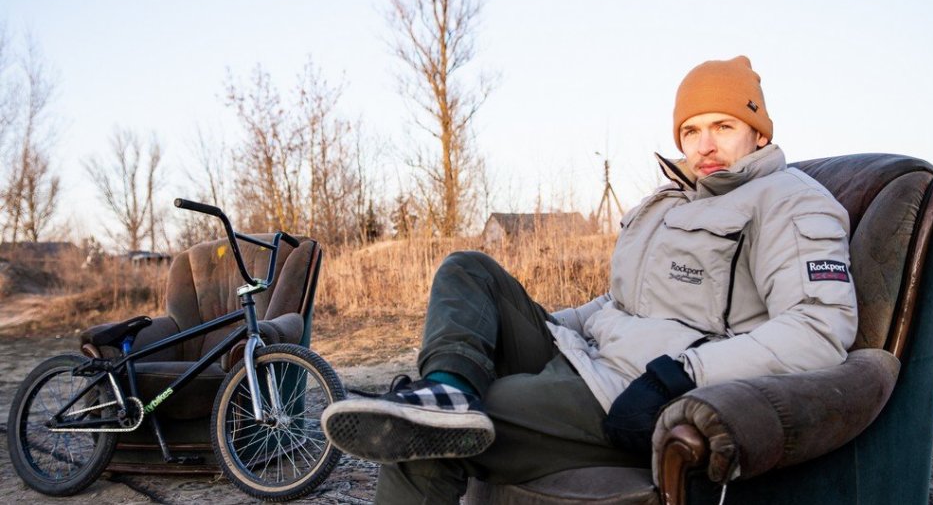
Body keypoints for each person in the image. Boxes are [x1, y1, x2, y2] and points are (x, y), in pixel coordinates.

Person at [321, 55, 858, 504]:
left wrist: (682, 374)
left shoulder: (791, 201)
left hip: (633, 393)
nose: (704, 146)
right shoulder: (665, 201)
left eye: (723, 126)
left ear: (757, 132)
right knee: (468, 268)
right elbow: (623, 302)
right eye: (691, 131)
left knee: (427, 434)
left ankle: (447, 415)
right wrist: (557, 325)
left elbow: (820, 326)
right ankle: (451, 388)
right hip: (589, 356)